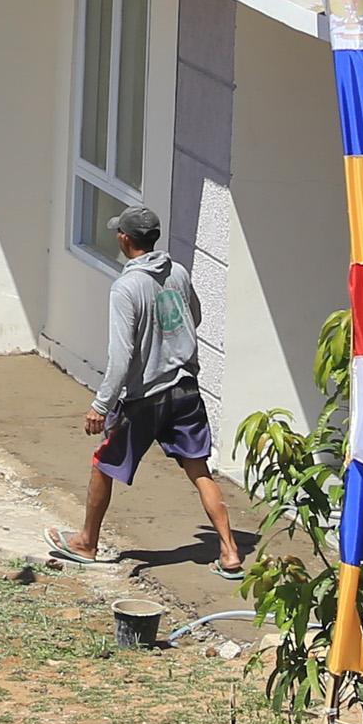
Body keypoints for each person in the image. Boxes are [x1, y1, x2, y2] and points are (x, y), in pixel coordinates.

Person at [54, 205, 244, 576]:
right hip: (186, 389)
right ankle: (230, 551)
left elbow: (122, 355)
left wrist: (100, 405)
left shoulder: (126, 287)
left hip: (147, 399)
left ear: (125, 239)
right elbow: (195, 316)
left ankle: (86, 543)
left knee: (102, 464)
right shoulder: (179, 272)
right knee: (199, 470)